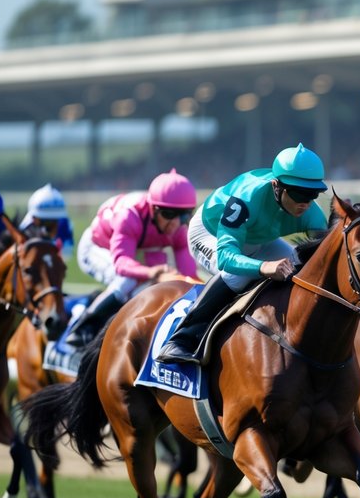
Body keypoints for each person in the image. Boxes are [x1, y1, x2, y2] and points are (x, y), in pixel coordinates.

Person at [155, 143, 330, 365]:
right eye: (298, 193)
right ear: (276, 186)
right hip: (210, 234)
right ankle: (181, 339)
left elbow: (322, 260)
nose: (305, 202)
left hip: (259, 239)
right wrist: (263, 267)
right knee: (237, 276)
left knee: (300, 266)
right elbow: (227, 257)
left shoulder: (311, 214)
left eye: (313, 193)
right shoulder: (245, 199)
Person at [67, 170, 201, 346]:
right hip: (97, 247)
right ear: (154, 209)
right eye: (169, 214)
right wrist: (151, 271)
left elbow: (188, 276)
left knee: (162, 285)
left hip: (138, 247)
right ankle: (83, 326)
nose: (176, 223)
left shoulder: (178, 229)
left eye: (184, 215)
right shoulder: (130, 216)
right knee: (128, 280)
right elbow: (122, 263)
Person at [20, 183, 75, 255]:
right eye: (45, 222)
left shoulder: (65, 226)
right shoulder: (26, 231)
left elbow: (67, 252)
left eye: (54, 222)